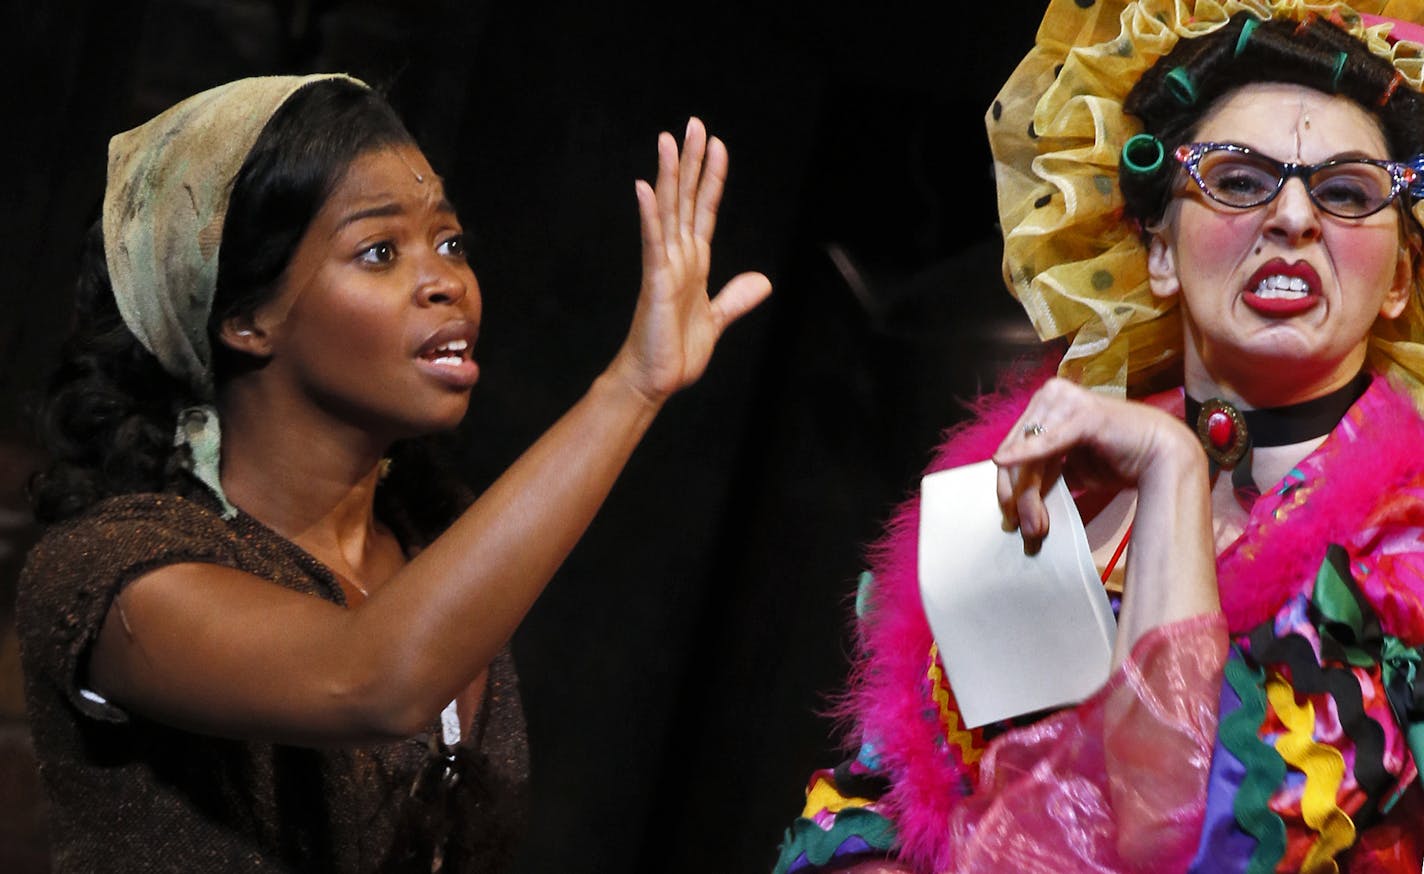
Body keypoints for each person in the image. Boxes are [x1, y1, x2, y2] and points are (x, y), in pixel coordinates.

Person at [16, 74, 770, 873]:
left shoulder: (426, 542)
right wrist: (632, 387)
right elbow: (371, 680)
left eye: (450, 243)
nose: (447, 281)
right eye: (379, 251)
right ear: (245, 317)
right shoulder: (112, 575)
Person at [774, 2, 1424, 871]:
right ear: (1157, 249)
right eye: (1237, 180)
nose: (1295, 219)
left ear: (1401, 282)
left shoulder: (1407, 546)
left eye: (1346, 192)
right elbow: (868, 804)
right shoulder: (1053, 482)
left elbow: (1200, 837)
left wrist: (1175, 467)